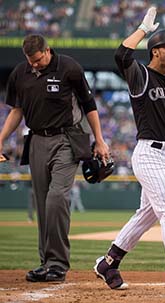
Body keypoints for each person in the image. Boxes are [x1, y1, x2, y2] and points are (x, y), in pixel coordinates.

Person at [93, 7, 165, 295]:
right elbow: (121, 56)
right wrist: (143, 29)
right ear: (155, 51)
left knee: (147, 215)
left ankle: (108, 262)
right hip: (149, 154)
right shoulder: (141, 76)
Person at [0, 34, 109, 283]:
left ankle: (58, 263)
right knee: (42, 203)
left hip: (67, 140)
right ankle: (46, 263)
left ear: (47, 51)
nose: (34, 65)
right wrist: (1, 138)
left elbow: (89, 105)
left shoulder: (68, 67)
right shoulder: (20, 73)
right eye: (30, 61)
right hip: (36, 140)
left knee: (56, 198)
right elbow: (17, 110)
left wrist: (100, 140)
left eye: (38, 60)